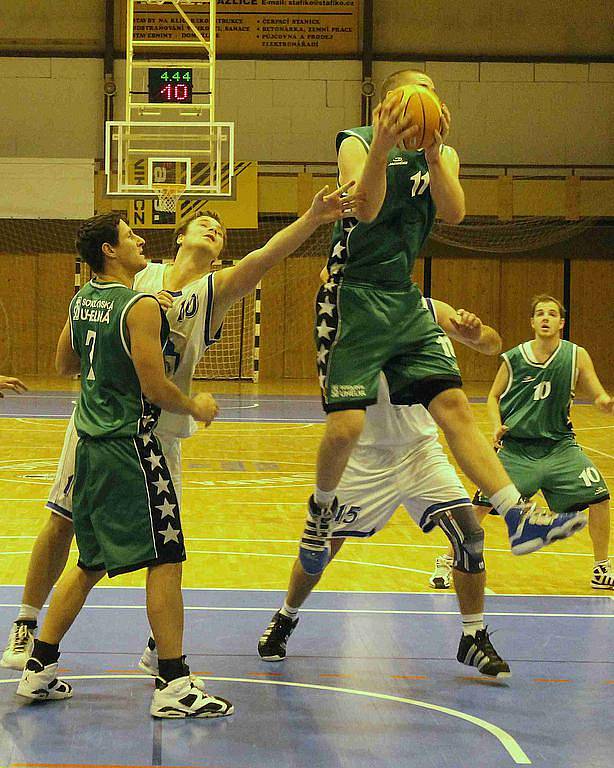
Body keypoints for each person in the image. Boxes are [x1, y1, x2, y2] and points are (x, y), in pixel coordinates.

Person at [2, 183, 360, 673]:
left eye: (220, 231)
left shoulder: (211, 293)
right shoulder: (133, 275)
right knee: (63, 520)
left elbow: (266, 255)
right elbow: (70, 354)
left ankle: (158, 653)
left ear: (218, 257)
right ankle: (26, 624)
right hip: (103, 425)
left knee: (163, 550)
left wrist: (314, 219)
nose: (214, 230)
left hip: (160, 434)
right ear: (178, 237)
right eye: (204, 223)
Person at [299, 69, 586, 579]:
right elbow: (364, 212)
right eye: (418, 95)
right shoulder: (356, 143)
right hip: (353, 295)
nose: (429, 103)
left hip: (403, 295)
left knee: (453, 404)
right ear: (392, 103)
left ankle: (518, 517)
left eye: (433, 97)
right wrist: (384, 145)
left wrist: (434, 157)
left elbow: (454, 213)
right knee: (346, 428)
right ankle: (321, 514)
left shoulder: (443, 155)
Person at [16, 212, 234, 718]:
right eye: (130, 235)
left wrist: (125, 325)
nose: (139, 240)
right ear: (110, 251)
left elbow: (64, 365)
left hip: (88, 445)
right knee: (166, 555)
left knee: (90, 562)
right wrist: (195, 405)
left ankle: (39, 668)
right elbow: (156, 387)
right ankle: (174, 684)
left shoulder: (84, 299)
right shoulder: (138, 306)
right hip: (129, 446)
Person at [259, 297, 512, 678]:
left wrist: (477, 333)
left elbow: (493, 345)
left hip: (419, 450)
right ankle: (286, 615)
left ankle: (472, 634)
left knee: (470, 535)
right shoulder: (339, 316)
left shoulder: (426, 307)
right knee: (322, 549)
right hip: (365, 457)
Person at [430, 294, 613, 591]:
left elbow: (595, 390)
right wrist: (495, 424)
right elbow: (493, 396)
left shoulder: (576, 355)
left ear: (561, 323)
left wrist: (603, 400)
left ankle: (601, 568)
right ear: (531, 321)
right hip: (517, 448)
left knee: (600, 497)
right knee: (481, 507)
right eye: (540, 313)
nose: (545, 318)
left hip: (560, 447)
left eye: (552, 314)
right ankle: (447, 559)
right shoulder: (515, 357)